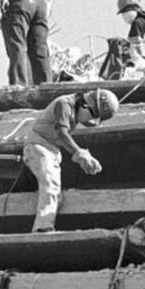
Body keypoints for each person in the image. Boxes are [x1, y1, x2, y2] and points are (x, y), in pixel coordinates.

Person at [24, 90, 117, 232]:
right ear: (87, 106)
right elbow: (62, 133)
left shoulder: (79, 106)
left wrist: (96, 122)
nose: (92, 119)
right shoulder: (64, 104)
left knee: (56, 195)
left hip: (52, 150)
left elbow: (85, 120)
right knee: (50, 184)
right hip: (38, 146)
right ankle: (42, 228)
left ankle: (45, 218)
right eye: (94, 115)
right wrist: (80, 154)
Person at [116, 0, 145, 65]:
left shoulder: (137, 23)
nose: (124, 15)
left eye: (125, 11)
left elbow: (135, 46)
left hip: (140, 61)